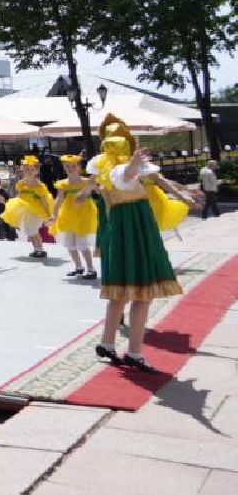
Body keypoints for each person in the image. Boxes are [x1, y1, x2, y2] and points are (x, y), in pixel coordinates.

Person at [92, 119, 200, 373]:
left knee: (122, 293)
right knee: (141, 292)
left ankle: (108, 344)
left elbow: (157, 178)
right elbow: (126, 176)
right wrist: (132, 164)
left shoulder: (106, 166)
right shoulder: (111, 168)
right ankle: (133, 353)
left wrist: (182, 194)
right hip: (130, 227)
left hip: (127, 227)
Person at [52, 155, 99, 279]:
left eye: (73, 166)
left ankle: (90, 269)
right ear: (63, 168)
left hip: (84, 214)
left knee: (82, 243)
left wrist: (96, 184)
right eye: (67, 166)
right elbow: (59, 199)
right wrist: (54, 215)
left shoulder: (86, 181)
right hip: (68, 214)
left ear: (79, 168)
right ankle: (78, 267)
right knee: (70, 243)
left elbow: (99, 191)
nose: (70, 168)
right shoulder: (63, 184)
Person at [1, 156, 55, 259]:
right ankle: (36, 249)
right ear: (23, 170)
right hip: (26, 210)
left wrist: (48, 215)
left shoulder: (39, 185)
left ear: (36, 171)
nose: (29, 171)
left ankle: (41, 250)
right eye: (26, 169)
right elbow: (20, 197)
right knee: (30, 232)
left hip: (36, 211)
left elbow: (44, 200)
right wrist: (16, 210)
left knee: (34, 230)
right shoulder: (21, 183)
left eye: (32, 169)